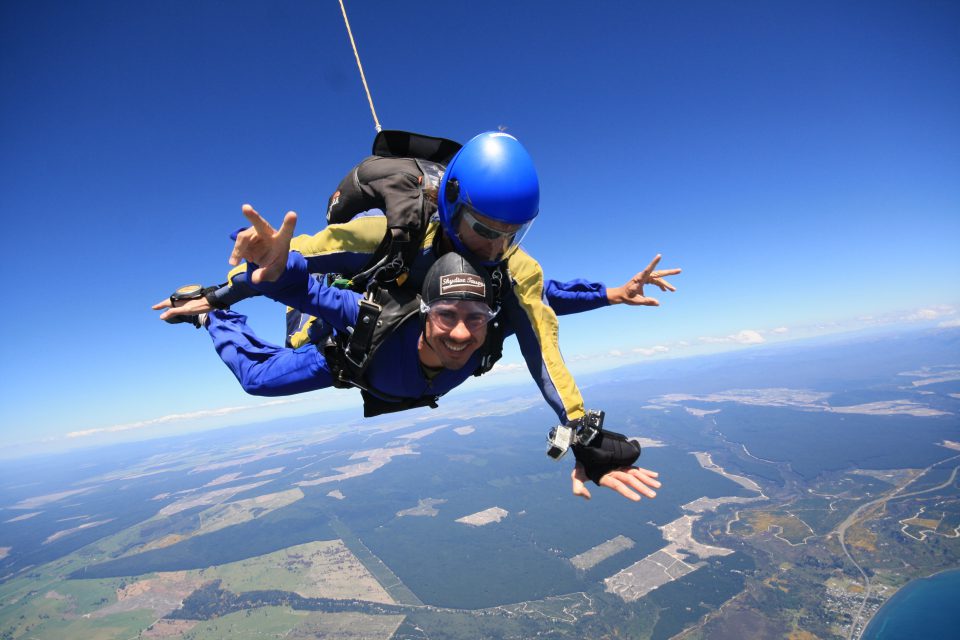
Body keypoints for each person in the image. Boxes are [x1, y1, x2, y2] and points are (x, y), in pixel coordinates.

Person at [162, 234, 662, 502]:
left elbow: (542, 298)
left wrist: (611, 294)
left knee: (509, 309)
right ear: (424, 312)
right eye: (446, 316)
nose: (463, 334)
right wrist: (266, 270)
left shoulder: (492, 324)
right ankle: (215, 320)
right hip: (346, 359)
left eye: (476, 318)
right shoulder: (373, 317)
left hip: (388, 374)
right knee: (258, 379)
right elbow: (305, 288)